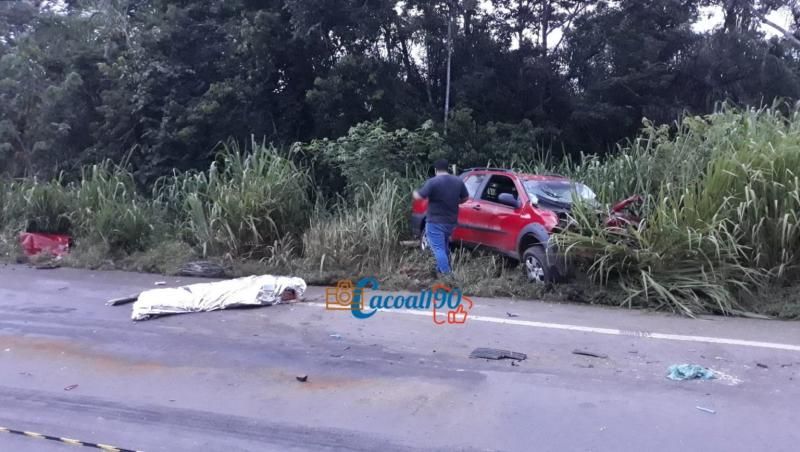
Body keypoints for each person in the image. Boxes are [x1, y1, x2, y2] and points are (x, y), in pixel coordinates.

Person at [413, 159, 468, 275]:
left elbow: (419, 196)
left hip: (435, 222)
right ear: (447, 168)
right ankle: (439, 271)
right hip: (451, 222)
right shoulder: (458, 181)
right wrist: (456, 202)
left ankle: (447, 276)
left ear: (435, 169)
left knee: (438, 249)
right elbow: (466, 198)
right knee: (444, 247)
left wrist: (414, 193)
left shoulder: (433, 182)